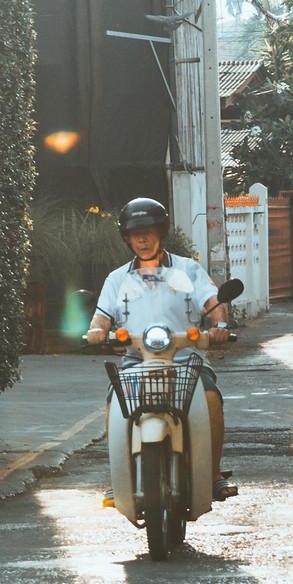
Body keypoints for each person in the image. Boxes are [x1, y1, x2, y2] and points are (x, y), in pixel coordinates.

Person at [85, 196, 237, 499]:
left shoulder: (187, 270)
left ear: (161, 232)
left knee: (210, 399)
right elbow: (100, 319)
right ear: (127, 238)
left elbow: (213, 303)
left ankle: (213, 473)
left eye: (149, 231)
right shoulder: (117, 279)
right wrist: (96, 332)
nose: (142, 238)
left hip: (185, 361)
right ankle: (120, 476)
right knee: (115, 403)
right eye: (134, 233)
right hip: (135, 363)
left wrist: (219, 326)